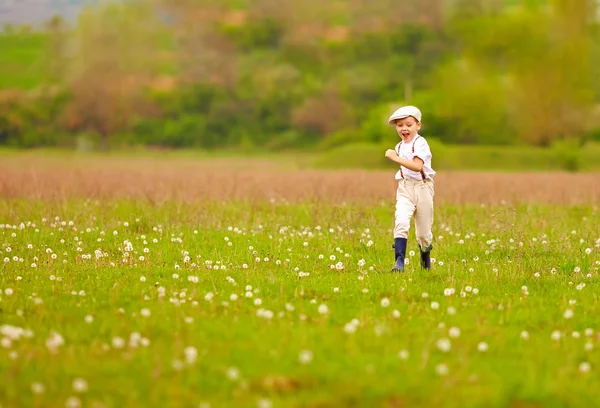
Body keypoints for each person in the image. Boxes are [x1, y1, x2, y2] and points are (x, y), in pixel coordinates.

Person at [384, 105, 436, 272]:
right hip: (405, 188)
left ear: (418, 125)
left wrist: (395, 158)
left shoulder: (420, 143)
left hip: (423, 188)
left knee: (423, 234)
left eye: (408, 124)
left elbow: (416, 166)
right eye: (400, 126)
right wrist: (397, 155)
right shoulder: (399, 146)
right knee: (401, 222)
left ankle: (425, 255)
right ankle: (399, 262)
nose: (404, 128)